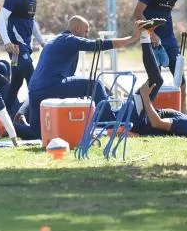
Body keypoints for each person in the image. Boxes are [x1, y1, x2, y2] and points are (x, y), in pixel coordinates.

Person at [13, 16, 144, 140]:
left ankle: (10, 128)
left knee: (37, 134)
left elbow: (55, 79)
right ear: (77, 29)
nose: (86, 36)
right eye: (85, 32)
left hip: (35, 91)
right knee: (96, 84)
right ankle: (114, 127)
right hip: (51, 86)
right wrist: (132, 38)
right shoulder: (69, 39)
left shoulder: (53, 41)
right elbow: (97, 45)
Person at [133, 0, 187, 102]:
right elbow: (137, 13)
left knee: (180, 77)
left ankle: (183, 115)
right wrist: (151, 33)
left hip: (168, 39)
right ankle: (141, 106)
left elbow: (165, 15)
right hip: (149, 39)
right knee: (155, 80)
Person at [0, 0, 45, 118]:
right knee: (34, 82)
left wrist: (42, 42)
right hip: (18, 49)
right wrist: (7, 42)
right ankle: (37, 117)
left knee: (15, 86)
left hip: (25, 48)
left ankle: (0, 120)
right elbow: (0, 20)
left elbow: (32, 22)